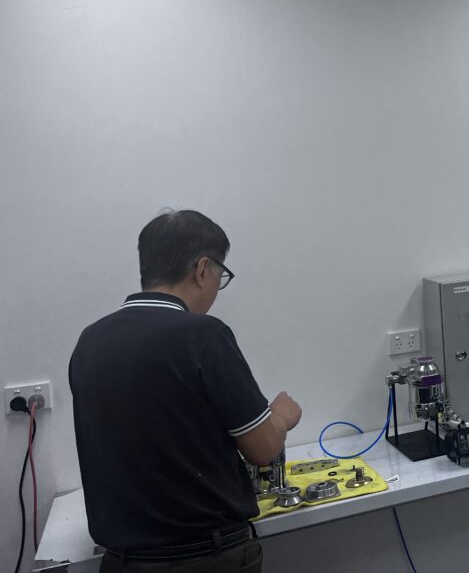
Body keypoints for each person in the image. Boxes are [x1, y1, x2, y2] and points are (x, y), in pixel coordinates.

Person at [69, 210, 301, 572]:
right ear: (202, 269)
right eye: (221, 275)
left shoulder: (90, 341)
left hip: (123, 561)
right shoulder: (202, 335)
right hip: (204, 557)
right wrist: (281, 417)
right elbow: (262, 449)